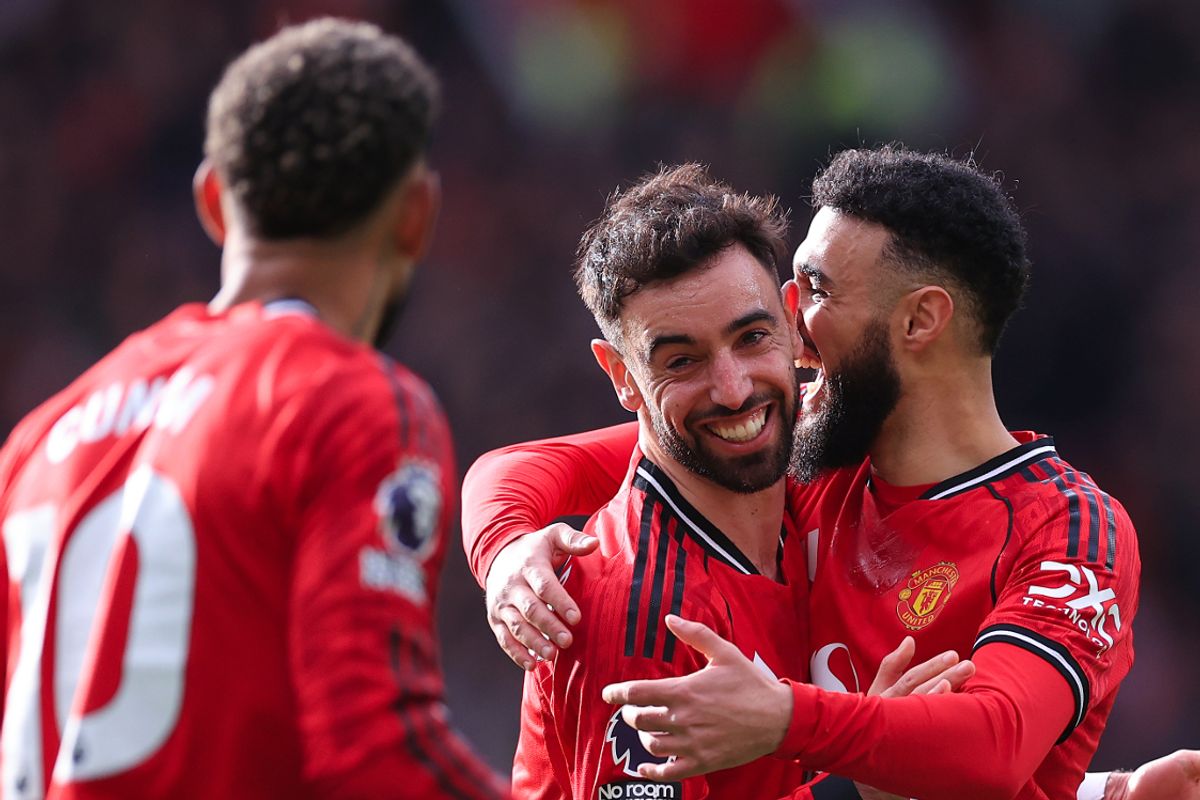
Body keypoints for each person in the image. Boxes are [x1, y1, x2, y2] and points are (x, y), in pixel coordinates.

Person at [461, 147, 1152, 799]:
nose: (790, 316)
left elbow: (994, 746)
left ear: (919, 321)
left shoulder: (1065, 531)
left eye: (815, 291)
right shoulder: (769, 469)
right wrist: (504, 547)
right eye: (681, 358)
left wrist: (794, 723)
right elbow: (545, 464)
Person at [0, 19, 506, 799]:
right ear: (416, 215)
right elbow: (378, 754)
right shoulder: (352, 400)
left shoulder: (35, 444)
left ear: (212, 201)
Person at [513, 163, 975, 800]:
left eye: (751, 337)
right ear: (620, 374)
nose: (733, 390)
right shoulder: (642, 609)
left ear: (793, 323)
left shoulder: (812, 494)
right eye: (682, 361)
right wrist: (867, 774)